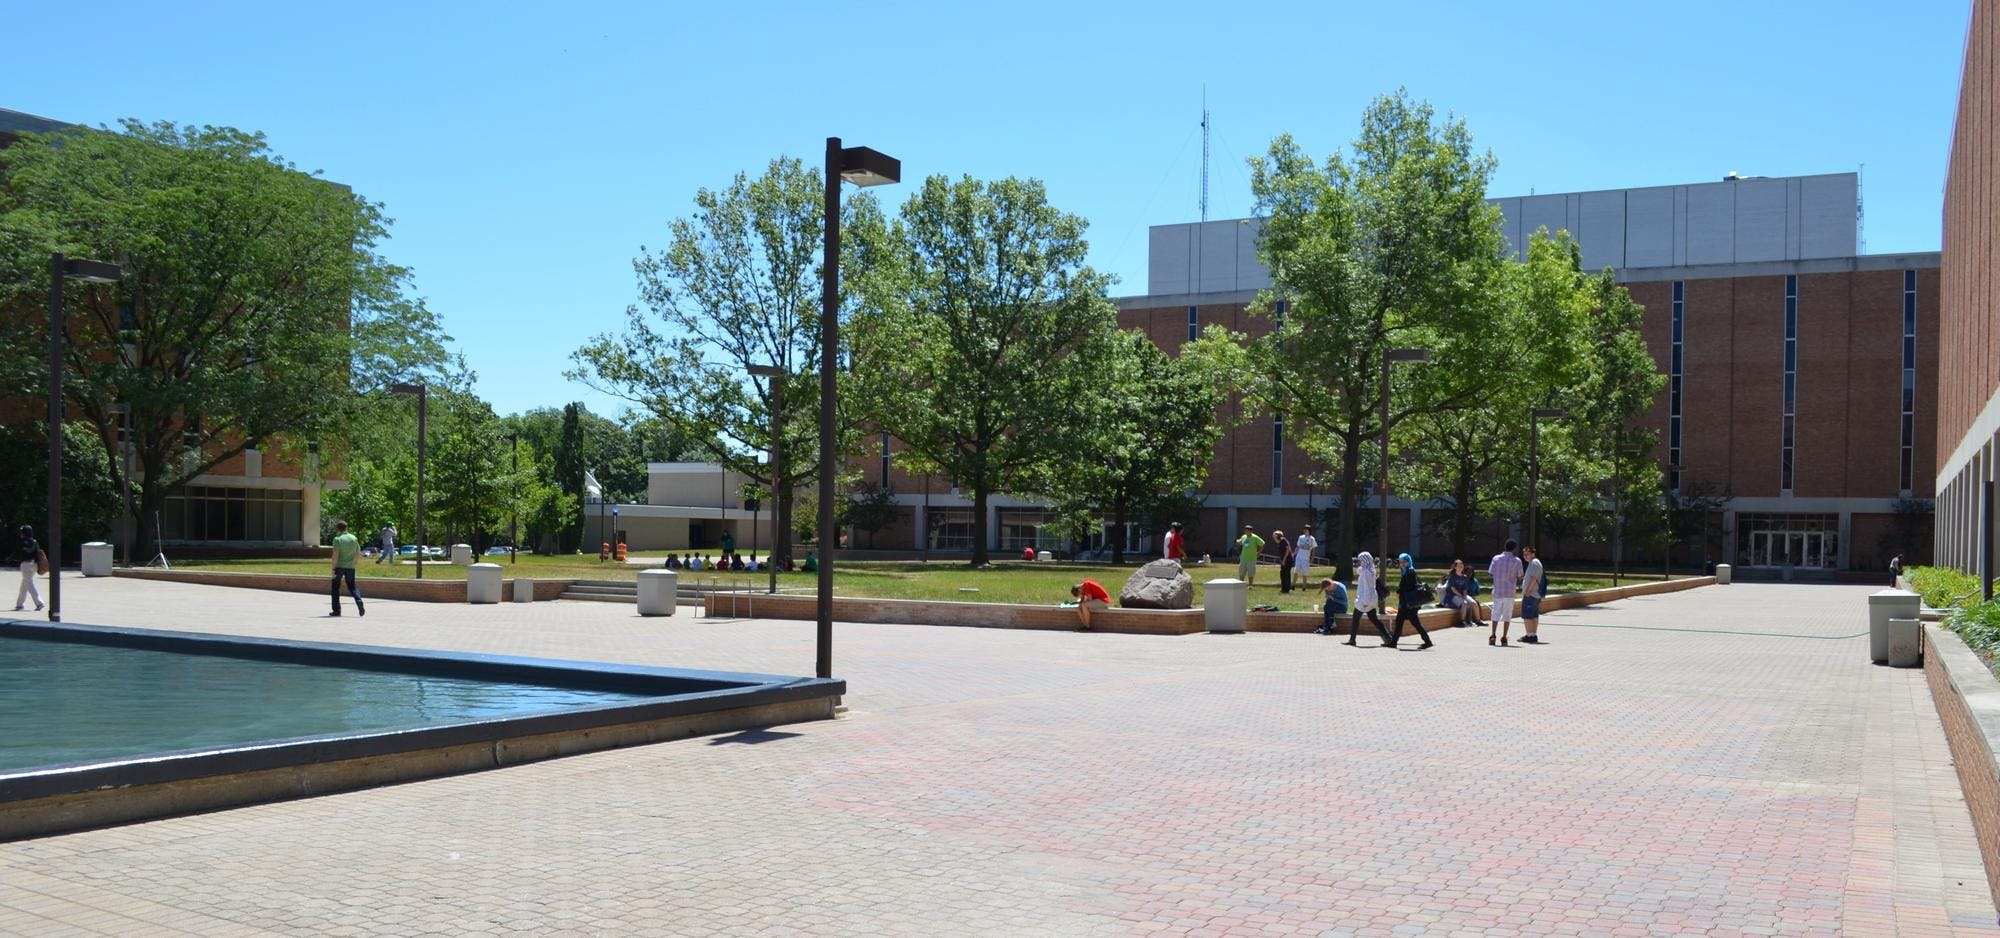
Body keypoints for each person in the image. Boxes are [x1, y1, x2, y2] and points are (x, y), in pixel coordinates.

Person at [1346, 551, 1395, 647]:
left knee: (1357, 619)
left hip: (1365, 599)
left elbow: (1367, 588)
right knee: (1374, 620)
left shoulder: (1366, 573)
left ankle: (1352, 640)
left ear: (1364, 560)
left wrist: (1365, 602)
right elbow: (1360, 572)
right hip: (1371, 599)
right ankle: (1388, 638)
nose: (1359, 562)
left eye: (1360, 560)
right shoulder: (1370, 570)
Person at [1393, 552, 1434, 649]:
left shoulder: (1410, 572)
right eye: (1401, 562)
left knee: (1403, 622)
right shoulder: (1407, 571)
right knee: (1408, 623)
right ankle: (1427, 641)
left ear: (1408, 562)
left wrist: (1400, 589)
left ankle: (1393, 642)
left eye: (1404, 562)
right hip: (1408, 603)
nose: (1402, 564)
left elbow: (1409, 587)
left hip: (1408, 603)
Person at [1488, 539, 1524, 646]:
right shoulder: (1517, 560)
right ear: (1514, 548)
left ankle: (1493, 635)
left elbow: (1490, 572)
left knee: (1495, 613)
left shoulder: (1496, 558)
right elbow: (1520, 575)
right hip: (1510, 591)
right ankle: (1504, 637)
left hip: (1498, 590)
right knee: (1507, 614)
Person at [329, 520, 364, 617]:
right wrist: (354, 563)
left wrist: (333, 569)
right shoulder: (353, 538)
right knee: (352, 586)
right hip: (350, 567)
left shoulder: (337, 539)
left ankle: (337, 611)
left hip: (339, 567)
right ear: (346, 528)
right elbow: (358, 553)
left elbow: (335, 555)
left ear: (338, 529)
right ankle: (358, 599)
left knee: (335, 588)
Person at [1443, 558, 1484, 627]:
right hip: (1453, 596)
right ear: (1455, 567)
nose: (1461, 568)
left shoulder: (1464, 577)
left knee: (1474, 602)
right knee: (1464, 603)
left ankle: (1478, 620)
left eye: (1462, 566)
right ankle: (1462, 621)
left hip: (1462, 594)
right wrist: (1462, 596)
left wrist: (1464, 595)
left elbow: (1465, 588)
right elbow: (1453, 589)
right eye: (1459, 566)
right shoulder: (1452, 577)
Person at [13, 524, 43, 613]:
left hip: (25, 565)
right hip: (34, 564)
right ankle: (19, 604)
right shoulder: (35, 541)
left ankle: (39, 603)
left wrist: (9, 559)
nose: (21, 534)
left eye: (22, 532)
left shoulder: (22, 542)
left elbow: (17, 552)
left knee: (29, 583)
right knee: (24, 584)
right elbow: (38, 552)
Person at [1519, 546, 1546, 644]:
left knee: (1527, 615)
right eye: (1524, 554)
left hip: (1531, 594)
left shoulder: (1534, 563)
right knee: (1533, 615)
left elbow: (1534, 578)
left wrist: (1528, 590)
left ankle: (1530, 635)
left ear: (1533, 554)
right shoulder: (1533, 563)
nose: (1525, 556)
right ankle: (1533, 635)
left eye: (1527, 554)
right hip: (1535, 594)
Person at [1293, 524, 1317, 588]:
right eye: (1304, 529)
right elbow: (1298, 547)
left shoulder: (1312, 539)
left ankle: (1304, 586)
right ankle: (1293, 585)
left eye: (1306, 529)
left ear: (1309, 530)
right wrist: (1293, 554)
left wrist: (1312, 558)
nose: (1305, 530)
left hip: (1306, 558)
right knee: (1296, 570)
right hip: (1299, 557)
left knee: (1305, 572)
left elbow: (1314, 549)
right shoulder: (1301, 537)